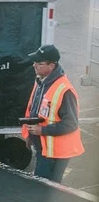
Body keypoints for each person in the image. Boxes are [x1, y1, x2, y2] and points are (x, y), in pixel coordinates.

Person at [21, 44, 84, 183]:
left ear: (52, 66)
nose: (34, 65)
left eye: (40, 63)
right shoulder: (41, 81)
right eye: (34, 62)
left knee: (47, 189)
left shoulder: (65, 90)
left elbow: (71, 124)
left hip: (56, 153)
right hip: (44, 149)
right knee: (42, 187)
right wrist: (30, 134)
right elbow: (35, 110)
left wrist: (42, 130)